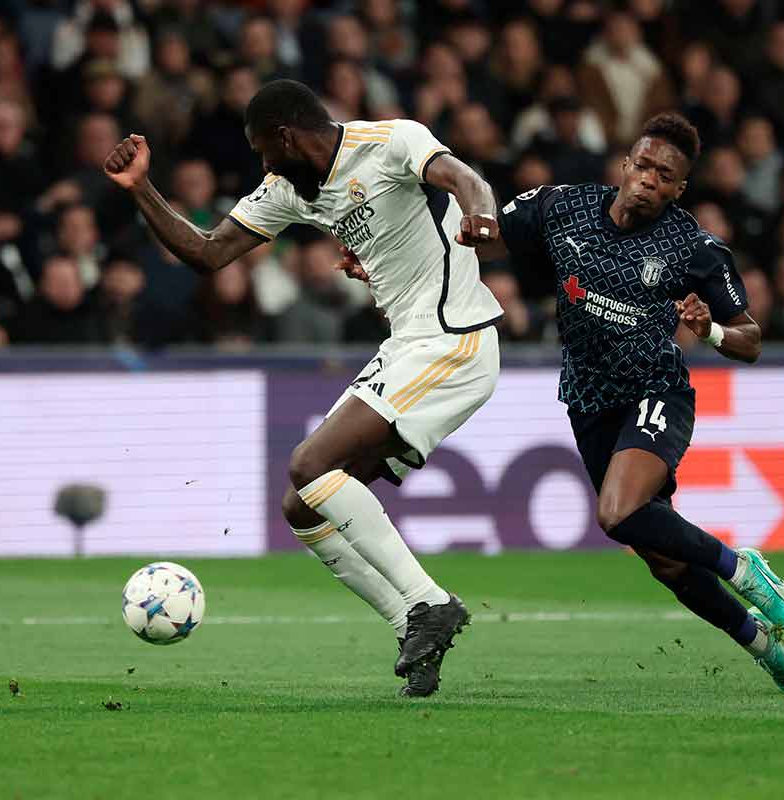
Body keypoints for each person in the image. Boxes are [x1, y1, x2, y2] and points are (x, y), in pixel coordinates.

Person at [103, 79, 503, 697]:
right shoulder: (291, 190)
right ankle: (410, 626)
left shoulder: (391, 142)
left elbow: (464, 179)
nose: (263, 165)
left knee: (310, 465)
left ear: (286, 137)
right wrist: (141, 188)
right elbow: (208, 253)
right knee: (303, 504)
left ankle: (430, 603)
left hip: (454, 339)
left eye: (263, 150)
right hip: (410, 344)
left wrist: (480, 214)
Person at [453, 112, 784, 692]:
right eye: (643, 165)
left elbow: (751, 341)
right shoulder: (562, 207)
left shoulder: (692, 248)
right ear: (624, 164)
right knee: (662, 559)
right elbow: (486, 239)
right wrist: (416, 255)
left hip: (655, 390)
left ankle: (743, 567)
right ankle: (760, 644)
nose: (649, 179)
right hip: (588, 400)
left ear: (678, 189)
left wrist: (710, 330)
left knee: (616, 513)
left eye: (665, 175)